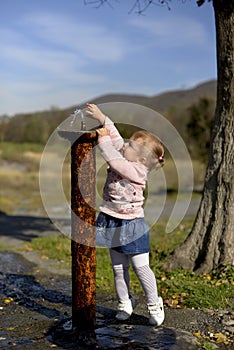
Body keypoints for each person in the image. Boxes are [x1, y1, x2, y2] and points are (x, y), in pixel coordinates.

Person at [86, 103, 165, 326]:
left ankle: (153, 303)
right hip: (112, 219)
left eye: (130, 145)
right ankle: (125, 302)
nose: (125, 146)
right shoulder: (128, 155)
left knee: (141, 267)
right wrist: (103, 119)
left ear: (141, 158)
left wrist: (102, 141)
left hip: (132, 225)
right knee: (119, 269)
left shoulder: (138, 171)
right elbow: (117, 140)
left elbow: (114, 160)